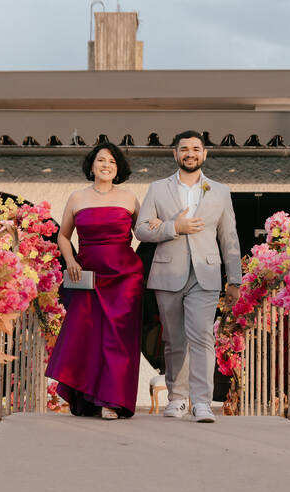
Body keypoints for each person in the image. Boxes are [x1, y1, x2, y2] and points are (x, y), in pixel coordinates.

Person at [135, 130, 242, 423]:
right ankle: (178, 399)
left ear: (204, 154)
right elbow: (141, 229)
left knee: (202, 336)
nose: (190, 153)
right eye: (184, 149)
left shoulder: (220, 191)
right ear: (175, 154)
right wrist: (172, 227)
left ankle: (202, 402)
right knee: (173, 339)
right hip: (168, 272)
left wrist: (235, 279)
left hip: (205, 274)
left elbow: (228, 237)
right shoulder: (158, 189)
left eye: (196, 148)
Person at [46, 141, 145, 419]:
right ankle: (87, 399)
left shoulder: (129, 198)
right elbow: (63, 236)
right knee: (87, 337)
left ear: (119, 168)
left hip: (125, 278)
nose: (106, 166)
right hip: (88, 277)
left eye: (112, 162)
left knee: (117, 340)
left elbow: (145, 234)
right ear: (92, 165)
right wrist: (71, 261)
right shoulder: (77, 198)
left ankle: (112, 401)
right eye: (101, 160)